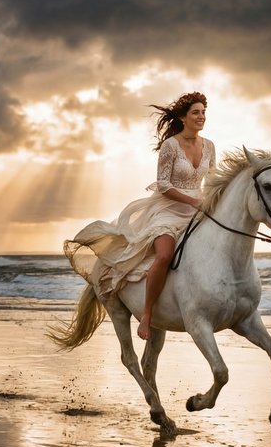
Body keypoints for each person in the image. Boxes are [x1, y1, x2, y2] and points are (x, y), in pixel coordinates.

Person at [63, 92, 216, 340]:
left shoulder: (209, 146)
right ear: (183, 117)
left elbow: (213, 181)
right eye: (196, 112)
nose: (201, 117)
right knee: (164, 254)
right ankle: (147, 314)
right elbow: (163, 184)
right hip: (167, 211)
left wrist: (210, 201)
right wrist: (191, 200)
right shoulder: (170, 146)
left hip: (198, 210)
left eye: (203, 112)